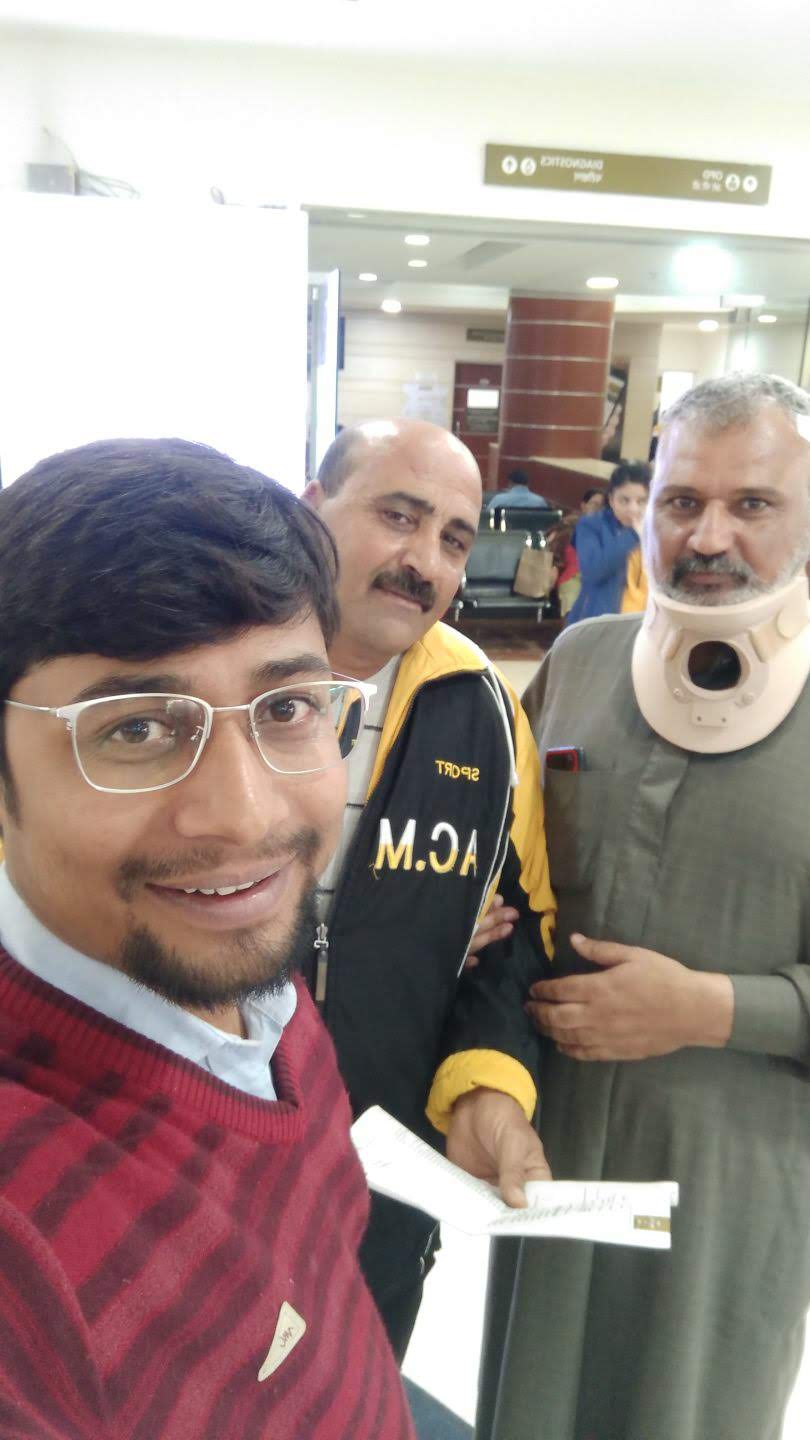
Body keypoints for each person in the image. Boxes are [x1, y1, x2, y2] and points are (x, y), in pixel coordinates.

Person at [0, 438, 416, 1440]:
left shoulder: (261, 993)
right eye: (137, 728)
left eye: (287, 707)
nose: (242, 816)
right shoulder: (26, 1247)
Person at [479, 373, 810, 1440]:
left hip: (735, 1180)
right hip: (551, 1150)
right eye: (682, 502)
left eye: (753, 503)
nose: (709, 537)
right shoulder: (577, 664)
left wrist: (711, 1009)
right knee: (528, 1409)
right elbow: (508, 872)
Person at [304, 420, 555, 1361]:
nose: (424, 563)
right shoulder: (201, 674)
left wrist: (487, 1086)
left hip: (384, 1185)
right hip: (186, 1164)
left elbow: (520, 934)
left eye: (453, 538)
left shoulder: (482, 711)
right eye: (398, 517)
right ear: (312, 509)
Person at [566, 459, 651, 624]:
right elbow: (592, 571)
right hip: (602, 623)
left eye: (641, 501)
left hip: (645, 623)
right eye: (624, 500)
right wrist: (633, 535)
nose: (633, 509)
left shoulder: (657, 531)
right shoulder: (591, 525)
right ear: (611, 500)